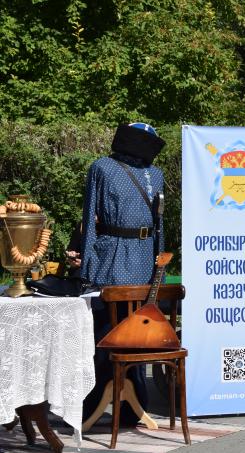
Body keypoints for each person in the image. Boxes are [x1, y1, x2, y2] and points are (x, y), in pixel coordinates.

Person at [80, 122, 166, 425]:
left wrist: (160, 265)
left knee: (137, 329)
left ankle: (132, 407)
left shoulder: (156, 174)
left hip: (144, 255)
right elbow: (89, 215)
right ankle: (92, 405)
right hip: (111, 253)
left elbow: (160, 222)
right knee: (105, 330)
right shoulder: (102, 167)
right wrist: (88, 264)